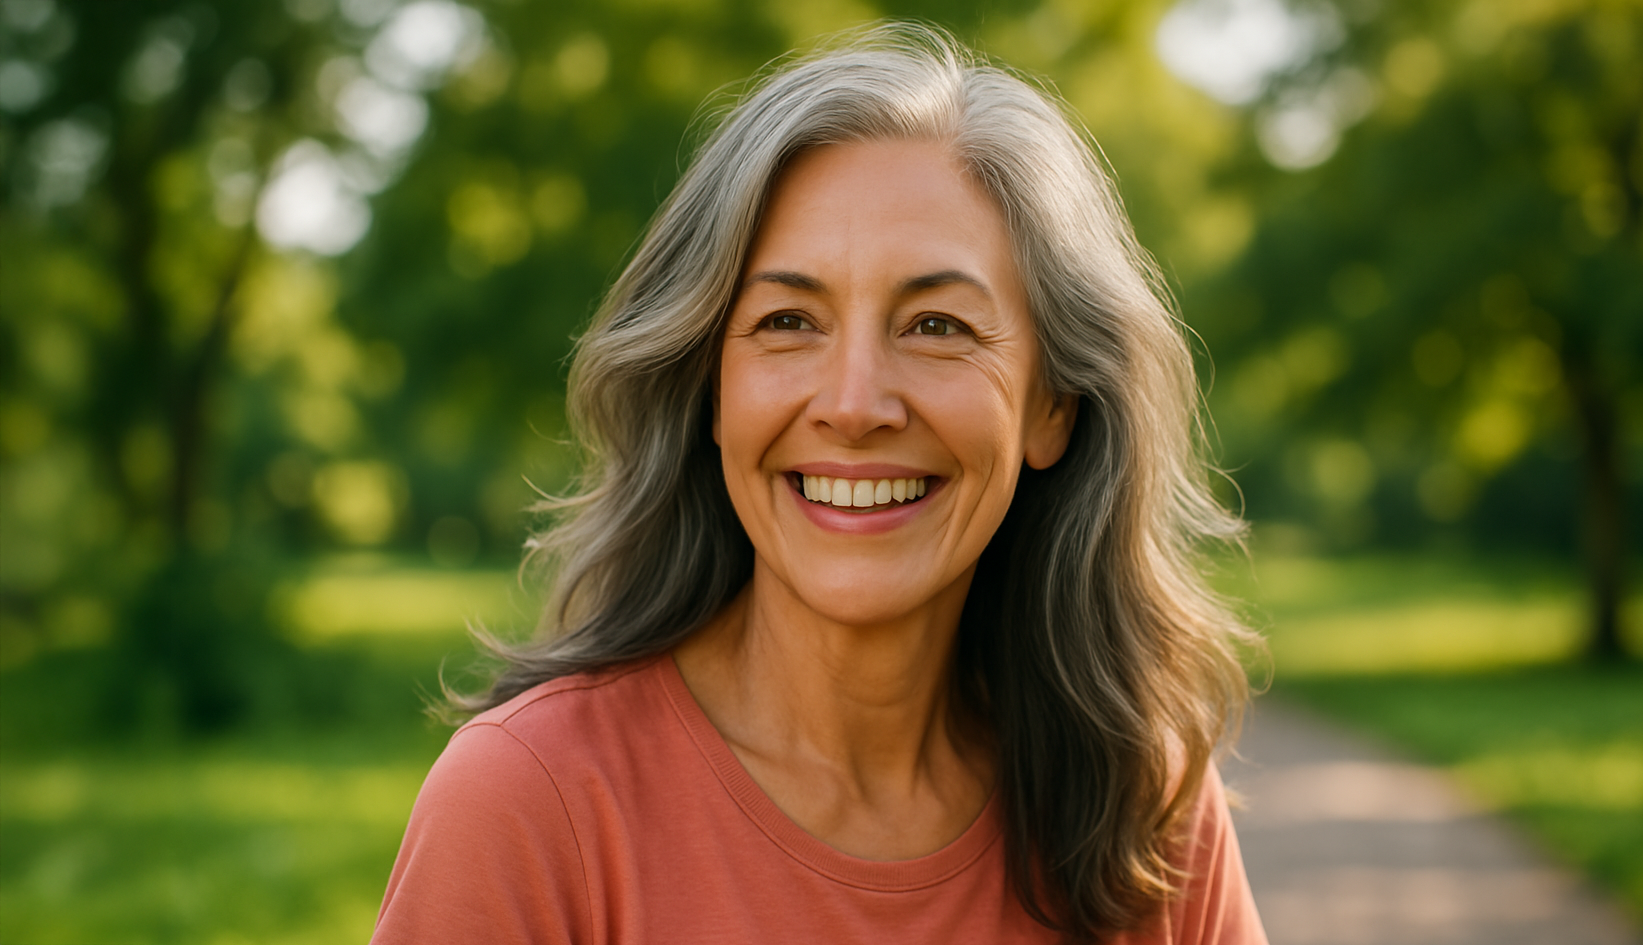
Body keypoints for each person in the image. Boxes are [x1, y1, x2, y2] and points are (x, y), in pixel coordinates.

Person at [372, 24, 1266, 945]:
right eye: (789, 319)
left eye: (937, 326)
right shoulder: (535, 802)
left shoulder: (1141, 806)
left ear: (1054, 407)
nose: (853, 403)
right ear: (709, 389)